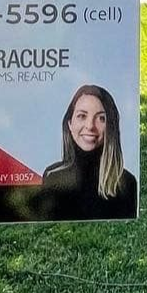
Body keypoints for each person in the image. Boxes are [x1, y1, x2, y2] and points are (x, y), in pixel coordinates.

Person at [39, 85, 137, 220]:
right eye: (82, 116)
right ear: (70, 124)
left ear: (111, 127)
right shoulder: (52, 176)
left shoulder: (126, 183)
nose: (90, 126)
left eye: (101, 118)